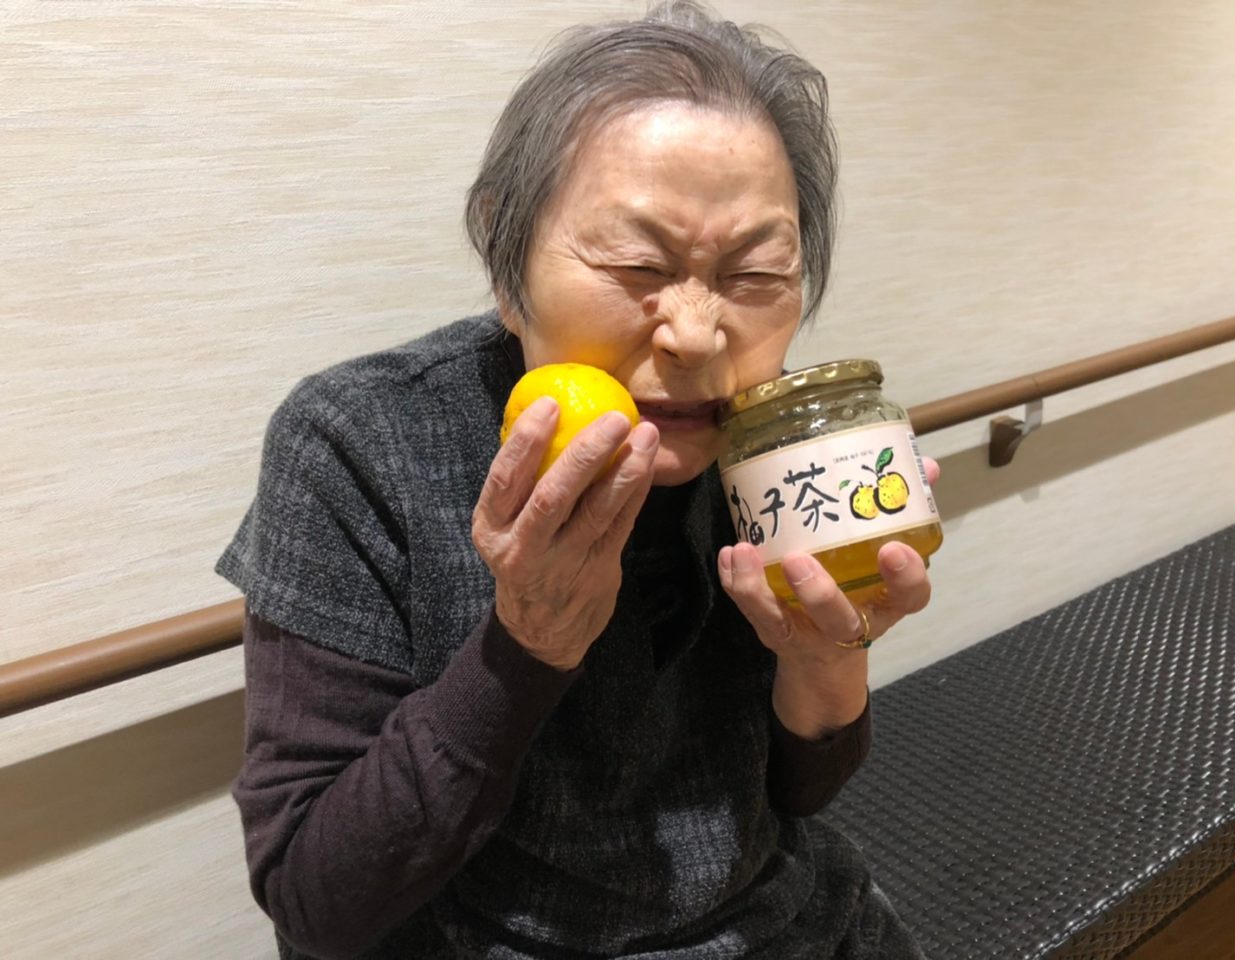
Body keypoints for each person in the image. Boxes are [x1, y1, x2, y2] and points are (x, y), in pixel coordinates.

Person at [218, 3, 936, 957]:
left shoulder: (776, 455)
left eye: (757, 273)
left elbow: (796, 801)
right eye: (639, 264)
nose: (694, 337)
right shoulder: (358, 440)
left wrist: (825, 664)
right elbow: (317, 901)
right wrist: (527, 644)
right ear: (505, 261)